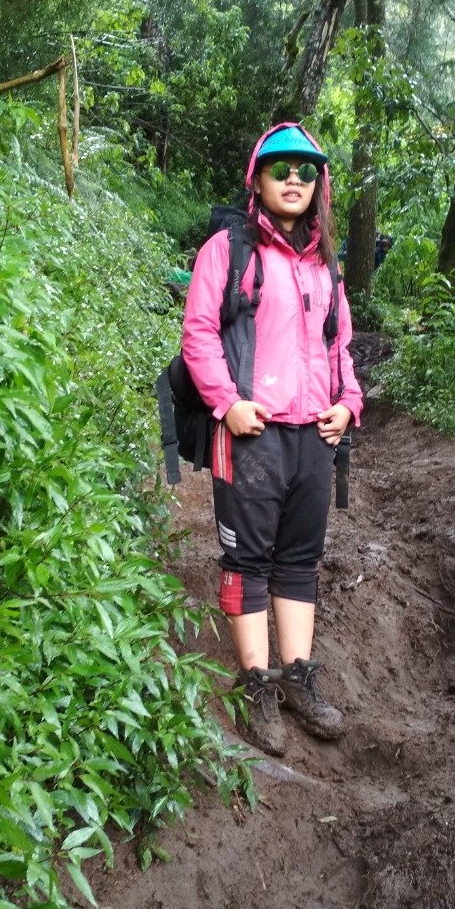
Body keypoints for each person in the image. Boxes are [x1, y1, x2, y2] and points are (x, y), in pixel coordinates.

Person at [181, 123, 364, 756]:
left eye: (307, 171)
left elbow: (339, 346)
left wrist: (348, 405)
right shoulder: (228, 251)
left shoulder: (325, 264)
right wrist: (227, 404)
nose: (295, 179)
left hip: (314, 434)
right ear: (258, 177)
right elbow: (199, 333)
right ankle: (255, 682)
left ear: (319, 186)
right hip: (251, 432)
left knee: (299, 560)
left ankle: (297, 677)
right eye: (282, 167)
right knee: (247, 560)